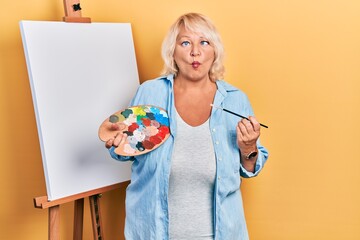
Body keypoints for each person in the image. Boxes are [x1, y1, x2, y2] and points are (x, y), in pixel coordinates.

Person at [105, 12, 269, 240]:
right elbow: (126, 151)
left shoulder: (235, 99)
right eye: (185, 43)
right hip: (153, 232)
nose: (195, 52)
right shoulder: (150, 92)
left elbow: (250, 167)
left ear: (215, 51)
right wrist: (119, 145)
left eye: (204, 42)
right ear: (172, 51)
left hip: (221, 234)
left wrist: (248, 147)